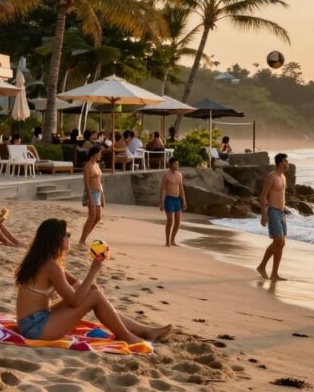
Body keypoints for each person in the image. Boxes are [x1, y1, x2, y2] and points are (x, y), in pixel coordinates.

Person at [15, 218, 172, 343]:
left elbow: (77, 284)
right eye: (67, 235)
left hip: (33, 320)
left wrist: (91, 286)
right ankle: (128, 336)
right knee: (95, 296)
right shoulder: (51, 266)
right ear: (56, 239)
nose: (70, 238)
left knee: (93, 292)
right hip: (35, 328)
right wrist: (94, 269)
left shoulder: (45, 260)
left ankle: (142, 329)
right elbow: (75, 302)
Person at [256, 153, 289, 280]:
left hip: (281, 212)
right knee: (278, 241)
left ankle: (274, 273)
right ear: (280, 163)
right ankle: (262, 266)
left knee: (281, 243)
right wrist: (263, 215)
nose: (287, 163)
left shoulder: (283, 177)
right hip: (273, 211)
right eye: (286, 161)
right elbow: (263, 196)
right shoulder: (272, 176)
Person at [79, 146, 105, 245]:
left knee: (98, 217)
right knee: (92, 216)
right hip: (91, 193)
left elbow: (100, 182)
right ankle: (82, 240)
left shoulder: (97, 165)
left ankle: (85, 237)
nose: (100, 156)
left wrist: (103, 196)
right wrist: (90, 198)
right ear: (94, 154)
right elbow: (86, 183)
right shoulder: (88, 166)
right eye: (99, 153)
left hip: (98, 193)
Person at [158, 158, 187, 246]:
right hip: (169, 199)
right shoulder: (166, 175)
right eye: (175, 164)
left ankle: (172, 240)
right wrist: (161, 202)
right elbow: (163, 189)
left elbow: (181, 189)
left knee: (178, 222)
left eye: (178, 164)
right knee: (170, 221)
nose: (177, 166)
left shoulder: (179, 175)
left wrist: (184, 201)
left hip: (177, 200)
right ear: (171, 165)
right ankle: (167, 241)